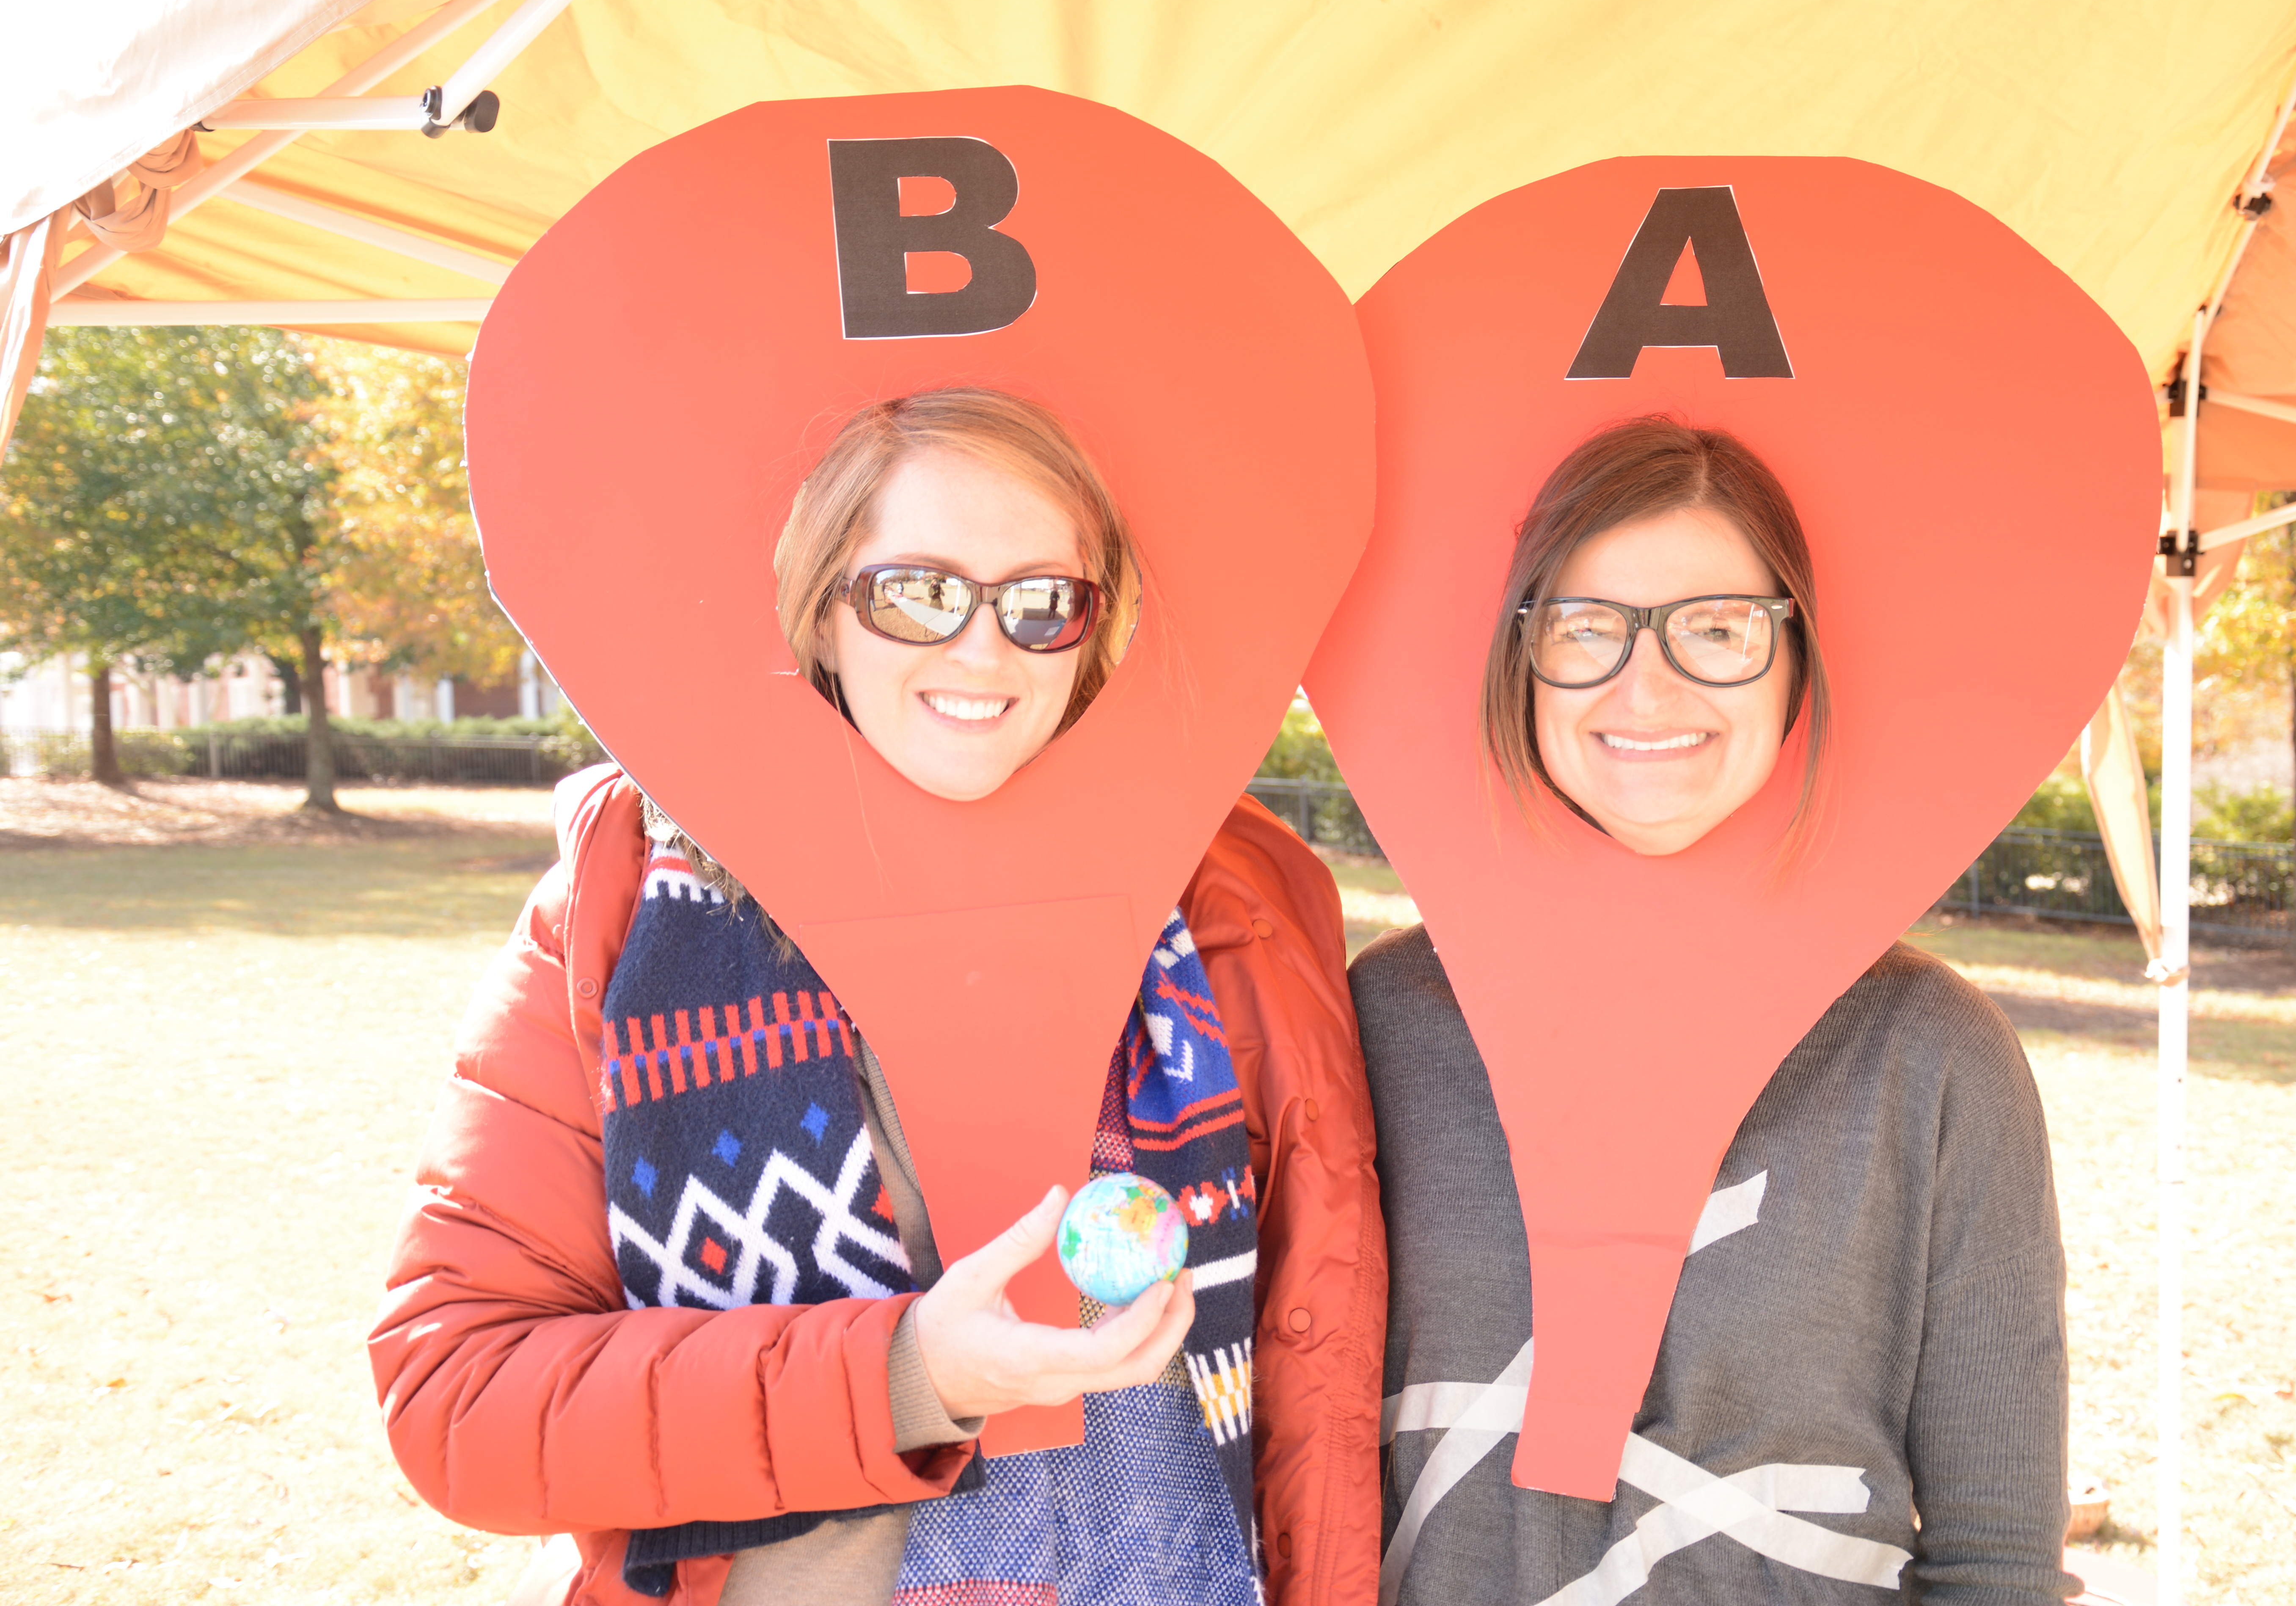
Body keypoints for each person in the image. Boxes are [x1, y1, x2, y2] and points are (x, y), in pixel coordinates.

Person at [372, 388, 1385, 1606]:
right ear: (823, 610)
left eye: (1043, 601)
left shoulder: (1236, 909)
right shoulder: (622, 914)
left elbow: (1320, 1355)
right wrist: (904, 1375)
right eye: (917, 593)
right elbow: (462, 1401)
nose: (983, 649)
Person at [1353, 416, 2072, 1604]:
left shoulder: (1931, 1059)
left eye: (1719, 629)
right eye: (1587, 628)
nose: (1649, 686)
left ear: (1796, 663)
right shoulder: (1381, 1024)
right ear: (1520, 663)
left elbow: (1996, 1559)